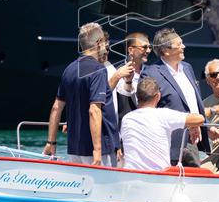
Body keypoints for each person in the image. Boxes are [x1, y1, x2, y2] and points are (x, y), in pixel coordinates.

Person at [44, 23, 119, 165]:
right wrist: (97, 150)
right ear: (99, 43)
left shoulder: (69, 69)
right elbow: (94, 110)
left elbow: (56, 107)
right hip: (97, 151)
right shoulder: (98, 70)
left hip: (74, 149)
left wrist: (51, 142)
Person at [145, 28, 211, 165]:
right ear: (166, 51)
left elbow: (194, 102)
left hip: (192, 140)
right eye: (179, 44)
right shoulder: (151, 74)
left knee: (194, 182)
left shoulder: (187, 68)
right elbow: (147, 111)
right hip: (168, 145)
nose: (184, 46)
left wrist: (205, 126)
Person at [120, 77, 207, 171]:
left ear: (137, 96)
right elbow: (200, 118)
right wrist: (192, 125)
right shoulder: (164, 115)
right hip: (159, 177)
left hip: (130, 176)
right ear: (158, 96)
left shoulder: (126, 118)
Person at [113, 31, 150, 121]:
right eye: (144, 47)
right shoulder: (116, 73)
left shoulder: (152, 72)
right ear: (130, 50)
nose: (148, 51)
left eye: (149, 47)